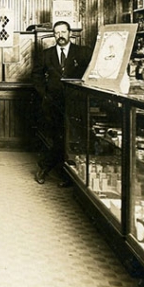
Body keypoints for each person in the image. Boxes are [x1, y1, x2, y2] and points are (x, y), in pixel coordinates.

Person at [32, 20, 92, 186]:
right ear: (54, 35)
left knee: (71, 138)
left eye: (63, 32)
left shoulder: (84, 53)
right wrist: (45, 95)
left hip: (76, 104)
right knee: (54, 137)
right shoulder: (46, 54)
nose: (60, 36)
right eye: (57, 33)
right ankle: (47, 170)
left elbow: (91, 73)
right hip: (52, 104)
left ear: (69, 33)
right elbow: (36, 76)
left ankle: (63, 173)